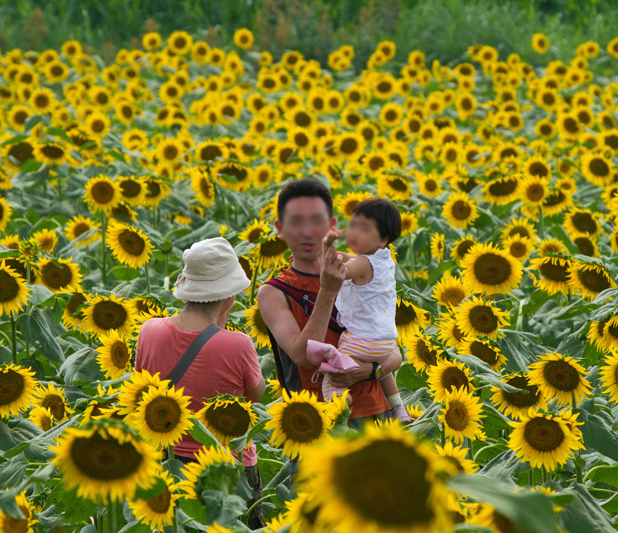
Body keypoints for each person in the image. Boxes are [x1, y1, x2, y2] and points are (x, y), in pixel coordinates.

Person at [134, 237, 266, 528]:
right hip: (224, 470)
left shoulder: (149, 330)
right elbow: (256, 399)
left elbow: (142, 389)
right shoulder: (238, 344)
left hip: (165, 464)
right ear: (229, 296)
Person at [257, 179, 403, 428]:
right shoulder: (274, 292)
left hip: (376, 413)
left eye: (316, 221)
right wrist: (328, 291)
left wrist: (370, 371)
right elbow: (304, 356)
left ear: (332, 225)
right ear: (280, 229)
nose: (307, 231)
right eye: (296, 222)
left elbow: (394, 350)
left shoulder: (360, 271)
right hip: (316, 422)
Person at [307, 196, 411, 422]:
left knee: (332, 377)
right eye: (353, 225)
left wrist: (326, 245)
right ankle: (398, 408)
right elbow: (346, 259)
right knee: (385, 373)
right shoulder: (383, 260)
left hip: (362, 340)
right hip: (384, 343)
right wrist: (337, 253)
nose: (354, 233)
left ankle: (338, 415)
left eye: (364, 229)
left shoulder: (363, 265)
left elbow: (335, 274)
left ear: (383, 239)